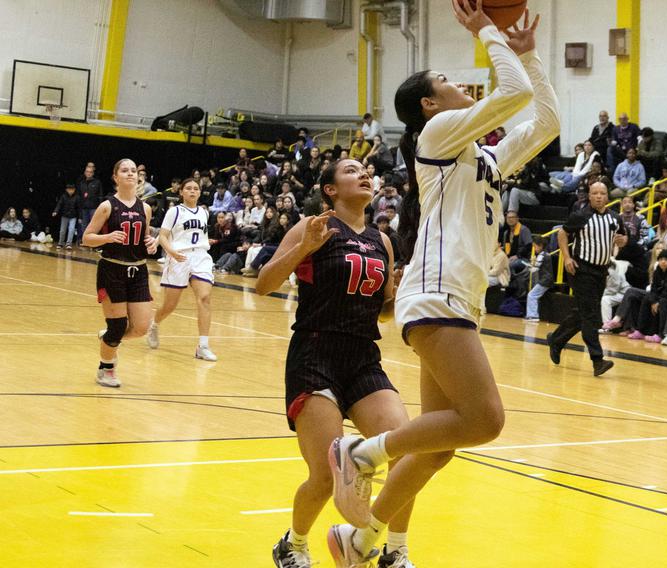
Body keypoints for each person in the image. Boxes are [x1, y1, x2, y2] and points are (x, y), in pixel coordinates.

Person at [324, 6, 560, 566]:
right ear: (429, 104)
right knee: (486, 420)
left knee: (440, 447)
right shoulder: (436, 133)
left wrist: (528, 52)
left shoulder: (480, 157)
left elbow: (545, 120)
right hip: (437, 294)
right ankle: (358, 452)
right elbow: (513, 95)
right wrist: (488, 32)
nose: (459, 86)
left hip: (455, 298)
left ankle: (368, 542)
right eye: (448, 82)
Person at [255, 159, 418, 568]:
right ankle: (293, 544)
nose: (363, 174)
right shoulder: (314, 225)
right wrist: (303, 248)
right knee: (326, 476)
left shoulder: (383, 239)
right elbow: (263, 284)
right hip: (315, 352)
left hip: (363, 355)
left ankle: (394, 550)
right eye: (350, 170)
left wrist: (406, 293)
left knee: (407, 452)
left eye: (365, 170)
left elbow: (382, 312)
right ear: (330, 189)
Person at [82, 159, 158, 387]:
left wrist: (151, 244)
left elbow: (143, 240)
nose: (130, 174)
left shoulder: (145, 208)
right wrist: (107, 237)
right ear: (115, 177)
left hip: (139, 271)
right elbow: (86, 238)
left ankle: (109, 337)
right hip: (112, 269)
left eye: (133, 171)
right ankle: (106, 368)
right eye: (125, 171)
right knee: (118, 326)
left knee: (142, 327)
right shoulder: (107, 206)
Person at [548, 181, 623, 372]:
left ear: (607, 196)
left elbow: (623, 236)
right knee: (591, 316)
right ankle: (597, 360)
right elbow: (562, 234)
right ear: (589, 196)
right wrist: (566, 258)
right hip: (582, 270)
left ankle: (556, 340)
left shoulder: (615, 218)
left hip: (601, 271)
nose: (598, 196)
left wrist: (624, 240)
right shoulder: (581, 216)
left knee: (582, 313)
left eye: (602, 193)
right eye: (595, 193)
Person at [146, 179, 217, 362]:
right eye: (189, 188)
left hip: (200, 257)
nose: (192, 191)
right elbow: (163, 236)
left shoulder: (204, 212)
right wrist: (171, 252)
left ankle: (203, 346)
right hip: (179, 257)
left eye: (196, 189)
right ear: (182, 192)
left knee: (204, 298)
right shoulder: (174, 211)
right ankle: (154, 324)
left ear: (200, 193)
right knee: (170, 306)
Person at [524, 235, 553, 322]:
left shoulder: (542, 255)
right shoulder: (546, 254)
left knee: (532, 295)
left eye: (535, 246)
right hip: (546, 280)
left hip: (545, 280)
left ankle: (533, 316)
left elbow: (535, 268)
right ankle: (532, 315)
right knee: (533, 295)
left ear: (540, 245)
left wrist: (529, 266)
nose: (534, 248)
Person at [77, 162, 103, 244]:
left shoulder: (97, 182)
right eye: (87, 172)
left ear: (93, 173)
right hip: (84, 207)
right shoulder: (81, 183)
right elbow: (80, 196)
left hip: (94, 207)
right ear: (85, 173)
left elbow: (100, 195)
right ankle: (85, 241)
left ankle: (94, 242)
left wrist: (100, 207)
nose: (88, 173)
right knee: (84, 225)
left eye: (90, 172)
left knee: (94, 225)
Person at [52, 184, 81, 249]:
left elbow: (79, 208)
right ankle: (60, 243)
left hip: (73, 216)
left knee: (71, 230)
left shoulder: (77, 197)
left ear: (74, 190)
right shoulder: (63, 196)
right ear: (66, 190)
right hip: (64, 216)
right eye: (69, 189)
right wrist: (55, 211)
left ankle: (68, 244)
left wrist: (80, 217)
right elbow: (59, 204)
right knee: (62, 230)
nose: (70, 191)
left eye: (72, 189)